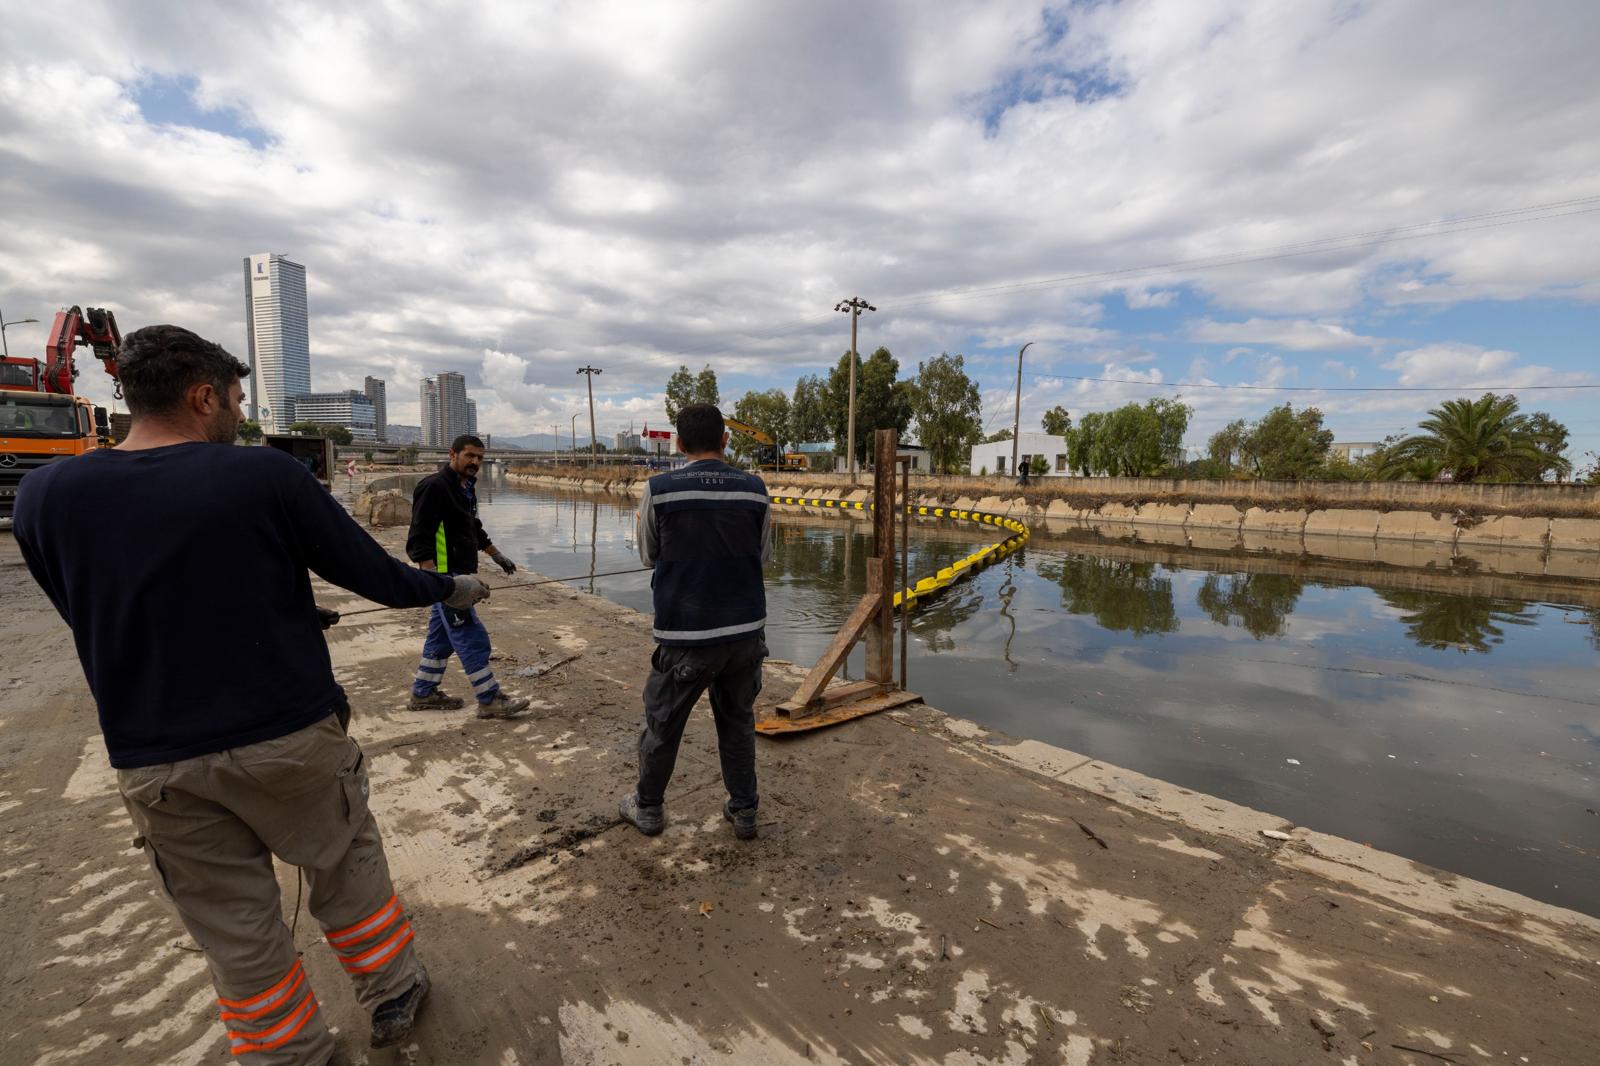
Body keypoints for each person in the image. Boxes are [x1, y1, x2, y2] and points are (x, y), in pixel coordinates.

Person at [13, 324, 492, 1062]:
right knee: (344, 868)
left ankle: (290, 1053)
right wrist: (455, 588)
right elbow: (379, 577)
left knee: (233, 927)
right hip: (287, 734)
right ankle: (394, 990)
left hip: (156, 760)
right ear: (203, 396)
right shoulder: (262, 476)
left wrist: (281, 610)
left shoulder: (47, 495)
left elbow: (97, 610)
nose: (240, 415)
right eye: (236, 399)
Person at [619, 403, 772, 840]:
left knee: (664, 725)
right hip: (745, 634)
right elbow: (763, 558)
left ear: (680, 444)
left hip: (686, 636)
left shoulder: (660, 489)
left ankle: (648, 807)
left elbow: (649, 556)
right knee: (738, 722)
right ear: (726, 440)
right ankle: (744, 811)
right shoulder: (755, 490)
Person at [405, 434, 530, 718]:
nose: (475, 462)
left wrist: (496, 554)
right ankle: (489, 698)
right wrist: (436, 581)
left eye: (480, 458)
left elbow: (472, 527)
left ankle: (423, 692)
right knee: (470, 634)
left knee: (441, 637)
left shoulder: (465, 487)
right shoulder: (435, 487)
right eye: (470, 456)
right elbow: (418, 539)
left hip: (459, 576)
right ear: (453, 454)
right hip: (448, 580)